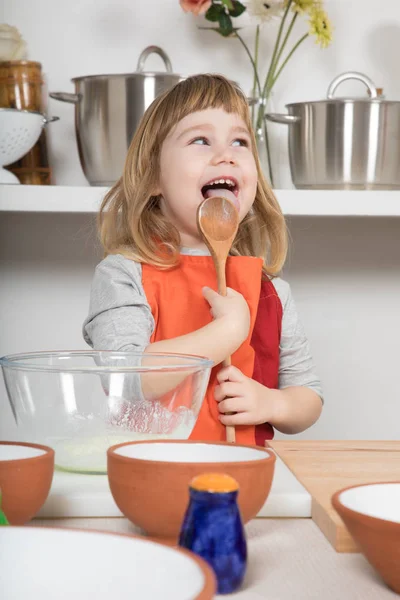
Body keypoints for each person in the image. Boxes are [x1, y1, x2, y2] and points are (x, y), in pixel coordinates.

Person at [82, 73, 323, 446]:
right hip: (152, 480)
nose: (226, 154)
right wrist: (223, 334)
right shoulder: (124, 274)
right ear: (153, 178)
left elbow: (308, 398)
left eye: (240, 141)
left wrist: (271, 403)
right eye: (200, 139)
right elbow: (125, 379)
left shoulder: (272, 292)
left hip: (246, 483)